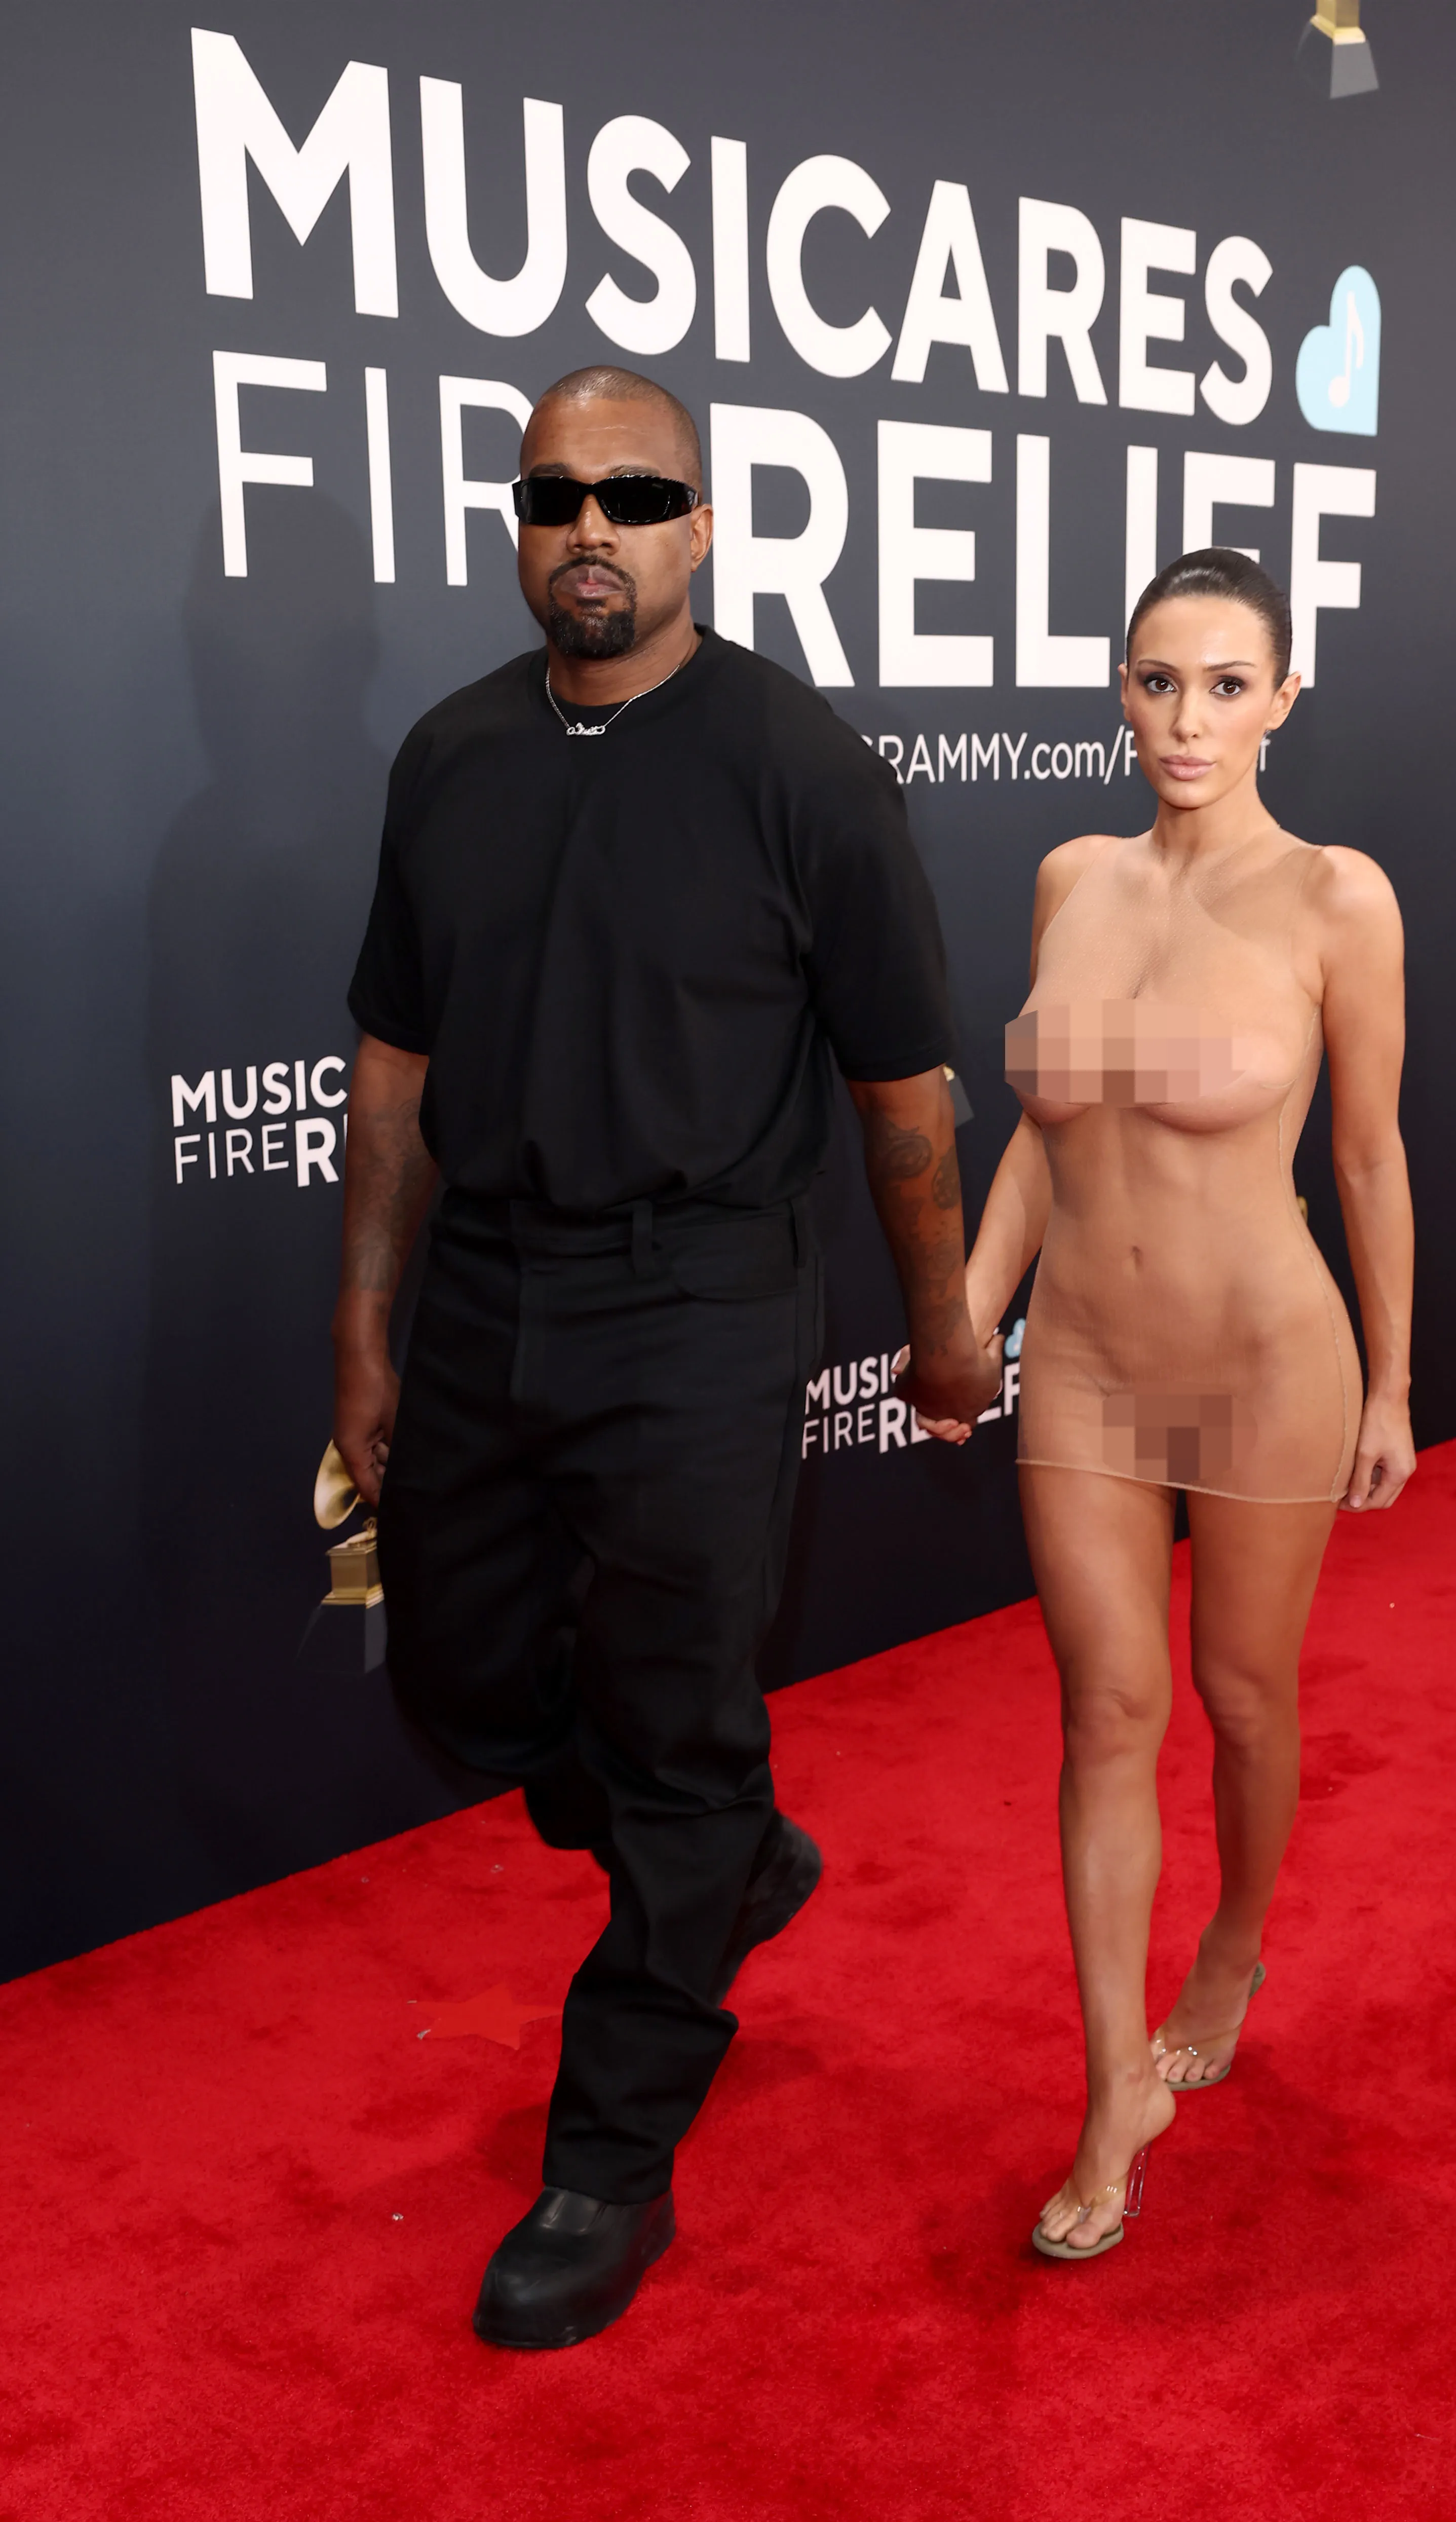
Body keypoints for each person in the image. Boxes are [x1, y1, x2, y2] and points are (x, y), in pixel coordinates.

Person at [332, 365, 1002, 2346]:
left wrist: (946, 1325)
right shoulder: (448, 755)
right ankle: (718, 1853)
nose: (592, 529)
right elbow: (390, 1072)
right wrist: (362, 1321)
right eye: (555, 497)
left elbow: (903, 1090)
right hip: (484, 1289)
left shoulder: (796, 760)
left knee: (681, 1708)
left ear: (701, 523)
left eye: (635, 495)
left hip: (700, 1296)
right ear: (519, 526)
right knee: (461, 1668)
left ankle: (611, 2152)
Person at [920, 549, 1414, 2258]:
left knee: (1241, 1695)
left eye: (1222, 684)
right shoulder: (1072, 878)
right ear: (1118, 693)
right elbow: (1039, 1154)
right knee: (1108, 1711)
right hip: (1086, 1367)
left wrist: (1396, 1382)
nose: (1184, 718)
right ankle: (1111, 2087)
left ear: (1282, 698)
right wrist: (969, 1315)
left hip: (1269, 1360)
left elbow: (1366, 1154)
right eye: (1153, 681)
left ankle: (1233, 1944)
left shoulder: (1338, 900)